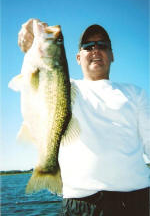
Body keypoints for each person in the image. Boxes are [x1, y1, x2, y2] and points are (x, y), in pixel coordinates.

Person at [18, 19, 150, 216]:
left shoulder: (136, 93)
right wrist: (29, 36)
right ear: (78, 57)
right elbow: (37, 77)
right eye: (88, 46)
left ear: (112, 55)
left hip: (136, 201)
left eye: (102, 45)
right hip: (80, 204)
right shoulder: (65, 86)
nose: (96, 49)